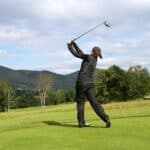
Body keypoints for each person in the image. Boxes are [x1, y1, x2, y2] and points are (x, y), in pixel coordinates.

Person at [67, 40, 111, 128]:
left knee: (80, 103)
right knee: (94, 102)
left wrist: (69, 45)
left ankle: (81, 123)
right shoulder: (94, 59)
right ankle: (105, 118)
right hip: (90, 83)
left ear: (92, 51)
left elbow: (76, 54)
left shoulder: (88, 57)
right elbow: (81, 53)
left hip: (81, 82)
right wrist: (74, 44)